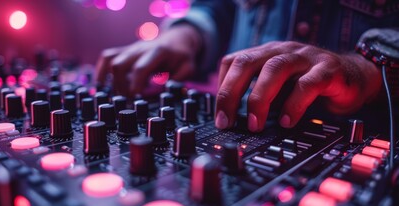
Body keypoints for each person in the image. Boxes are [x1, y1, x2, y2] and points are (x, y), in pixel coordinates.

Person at [95, 0, 399, 132]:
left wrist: (362, 70)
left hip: (364, 130)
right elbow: (222, 6)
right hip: (241, 120)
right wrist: (186, 34)